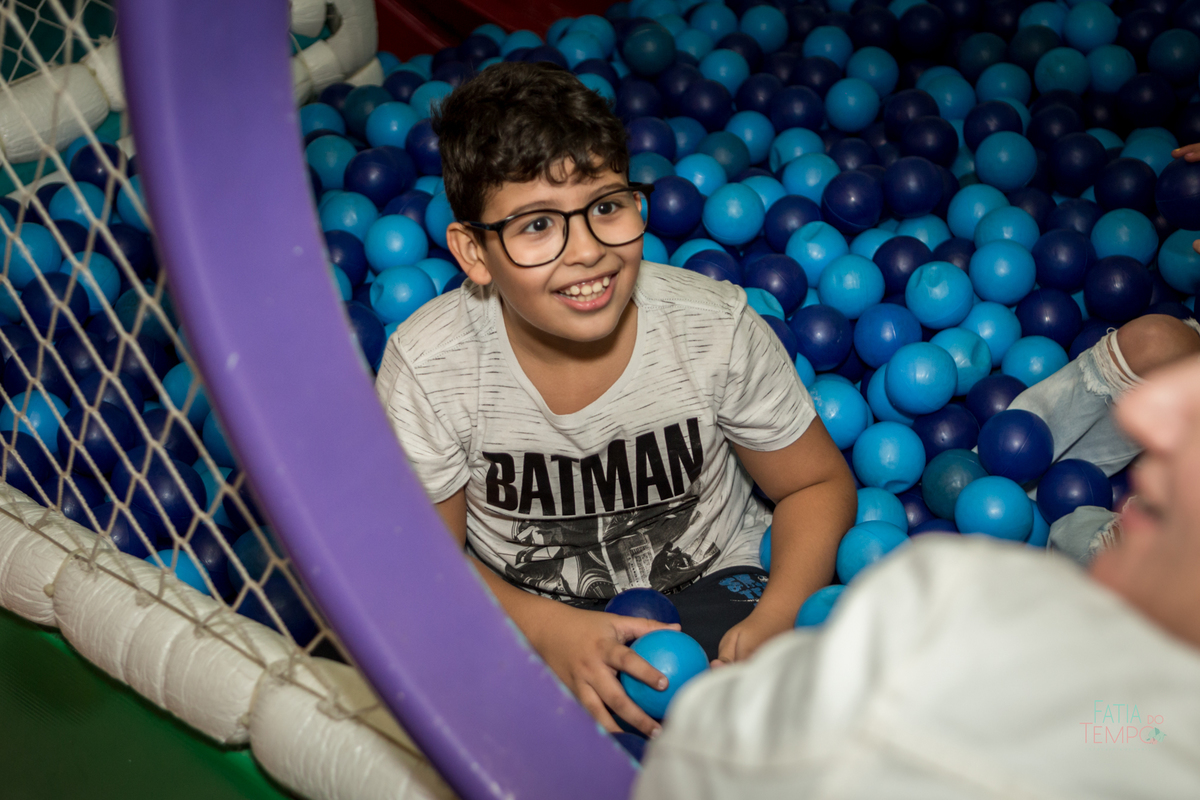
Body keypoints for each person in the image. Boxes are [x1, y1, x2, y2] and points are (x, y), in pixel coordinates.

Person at [373, 62, 857, 739]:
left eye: (606, 207)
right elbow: (429, 564)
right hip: (522, 608)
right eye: (537, 225)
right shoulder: (431, 368)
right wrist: (548, 629)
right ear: (474, 253)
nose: (587, 252)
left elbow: (816, 482)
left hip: (717, 584)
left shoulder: (712, 328)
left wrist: (779, 615)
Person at [635, 334, 1200, 795]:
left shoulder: (938, 641)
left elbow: (698, 760)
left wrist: (736, 692)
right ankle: (1029, 489)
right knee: (1157, 344)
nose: (1153, 416)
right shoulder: (1140, 723)